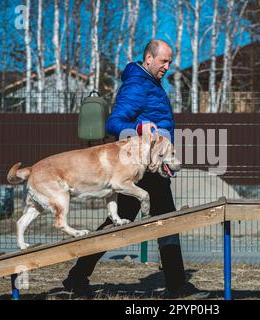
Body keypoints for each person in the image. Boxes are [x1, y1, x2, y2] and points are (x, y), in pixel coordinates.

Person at [63, 40, 207, 299]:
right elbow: (114, 122)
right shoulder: (138, 84)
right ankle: (176, 285)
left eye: (170, 61)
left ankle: (77, 275)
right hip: (140, 167)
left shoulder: (150, 83)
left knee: (117, 223)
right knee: (166, 221)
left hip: (147, 164)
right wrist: (140, 129)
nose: (167, 66)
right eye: (163, 61)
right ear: (149, 58)